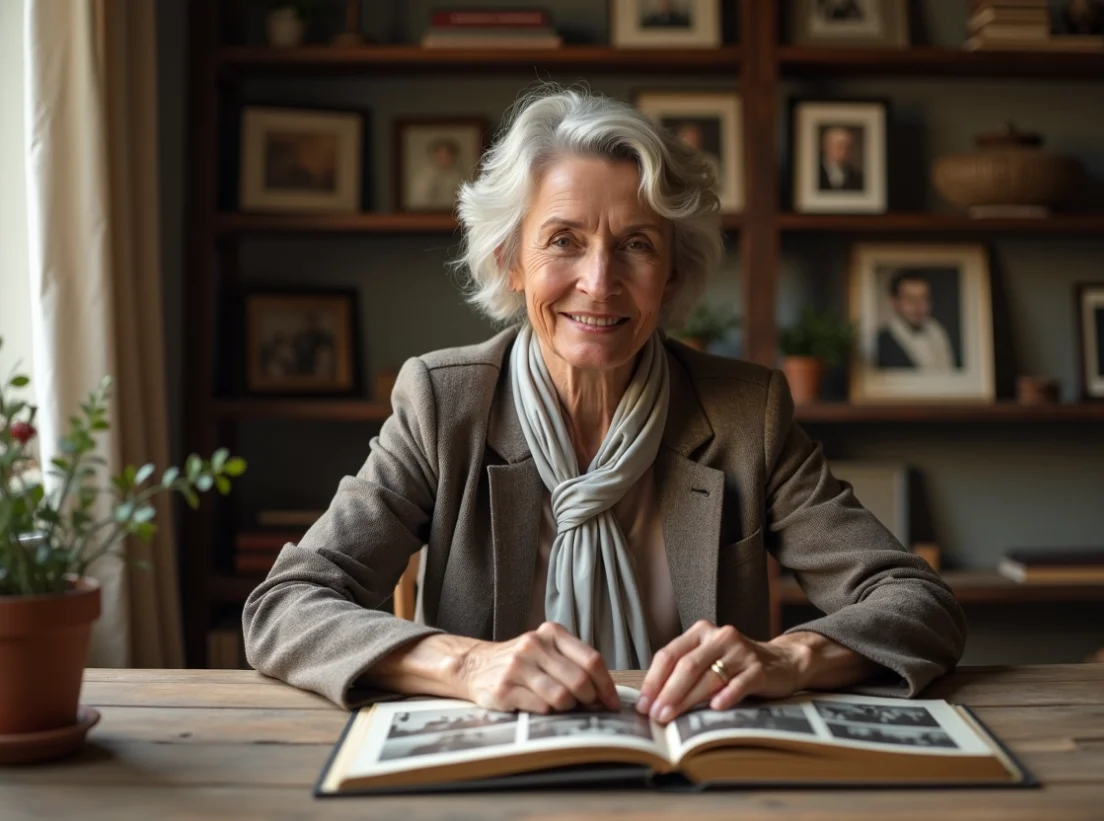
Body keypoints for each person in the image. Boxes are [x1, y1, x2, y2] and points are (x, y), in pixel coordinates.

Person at [243, 87, 966, 724]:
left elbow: (916, 601)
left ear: (672, 272)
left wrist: (791, 656)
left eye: (636, 245)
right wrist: (464, 663)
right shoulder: (445, 403)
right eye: (564, 240)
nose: (599, 281)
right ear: (510, 260)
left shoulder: (746, 414)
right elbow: (286, 606)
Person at [876, 271, 956, 370]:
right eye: (910, 299)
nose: (918, 306)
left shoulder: (939, 332)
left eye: (923, 299)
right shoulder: (881, 343)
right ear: (895, 302)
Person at [411, 137, 466, 209]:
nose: (445, 158)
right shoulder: (425, 176)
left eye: (448, 155)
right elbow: (420, 198)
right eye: (441, 154)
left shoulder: (457, 176)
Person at [672, 121, 723, 199]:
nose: (692, 142)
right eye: (688, 138)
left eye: (694, 138)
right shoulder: (673, 161)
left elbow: (720, 188)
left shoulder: (711, 161)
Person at [818, 127, 864, 192]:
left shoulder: (857, 177)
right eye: (839, 145)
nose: (844, 151)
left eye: (848, 147)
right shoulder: (815, 173)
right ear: (826, 147)